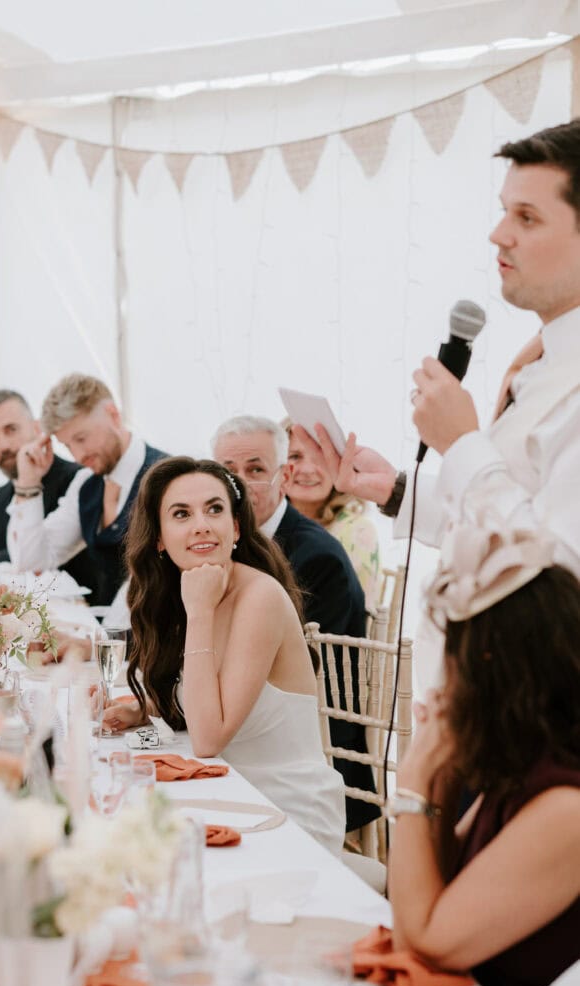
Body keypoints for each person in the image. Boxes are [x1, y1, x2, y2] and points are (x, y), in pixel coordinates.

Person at [292, 118, 580, 691]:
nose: (499, 235)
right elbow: (499, 516)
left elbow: (557, 570)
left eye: (527, 217)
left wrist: (463, 443)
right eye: (503, 211)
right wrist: (395, 491)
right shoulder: (544, 361)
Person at [104, 456, 345, 855]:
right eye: (181, 513)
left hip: (286, 812)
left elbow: (208, 739)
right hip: (227, 791)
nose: (201, 523)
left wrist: (198, 613)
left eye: (214, 509)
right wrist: (144, 708)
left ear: (234, 527)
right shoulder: (196, 585)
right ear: (160, 538)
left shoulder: (258, 597)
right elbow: (209, 698)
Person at [387, 521, 580, 986]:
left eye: (455, 657)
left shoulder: (565, 807)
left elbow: (424, 938)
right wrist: (441, 780)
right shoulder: (525, 758)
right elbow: (432, 885)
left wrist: (411, 782)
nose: (445, 678)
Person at [211, 415, 377, 833]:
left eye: (255, 470)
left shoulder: (315, 556)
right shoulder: (222, 540)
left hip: (311, 749)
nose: (238, 484)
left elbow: (301, 678)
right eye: (227, 472)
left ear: (283, 476)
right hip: (244, 719)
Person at [6, 374, 167, 606]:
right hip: (105, 635)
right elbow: (33, 563)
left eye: (81, 438)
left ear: (113, 415)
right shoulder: (85, 484)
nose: (78, 456)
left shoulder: (166, 478)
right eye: (68, 445)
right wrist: (28, 486)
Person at [0, 389, 97, 594]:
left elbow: (33, 562)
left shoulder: (80, 481)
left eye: (11, 429)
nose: (3, 445)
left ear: (37, 428)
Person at [283, 419, 381, 613]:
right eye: (294, 456)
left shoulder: (357, 531)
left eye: (318, 458)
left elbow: (354, 617)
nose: (307, 470)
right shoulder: (264, 524)